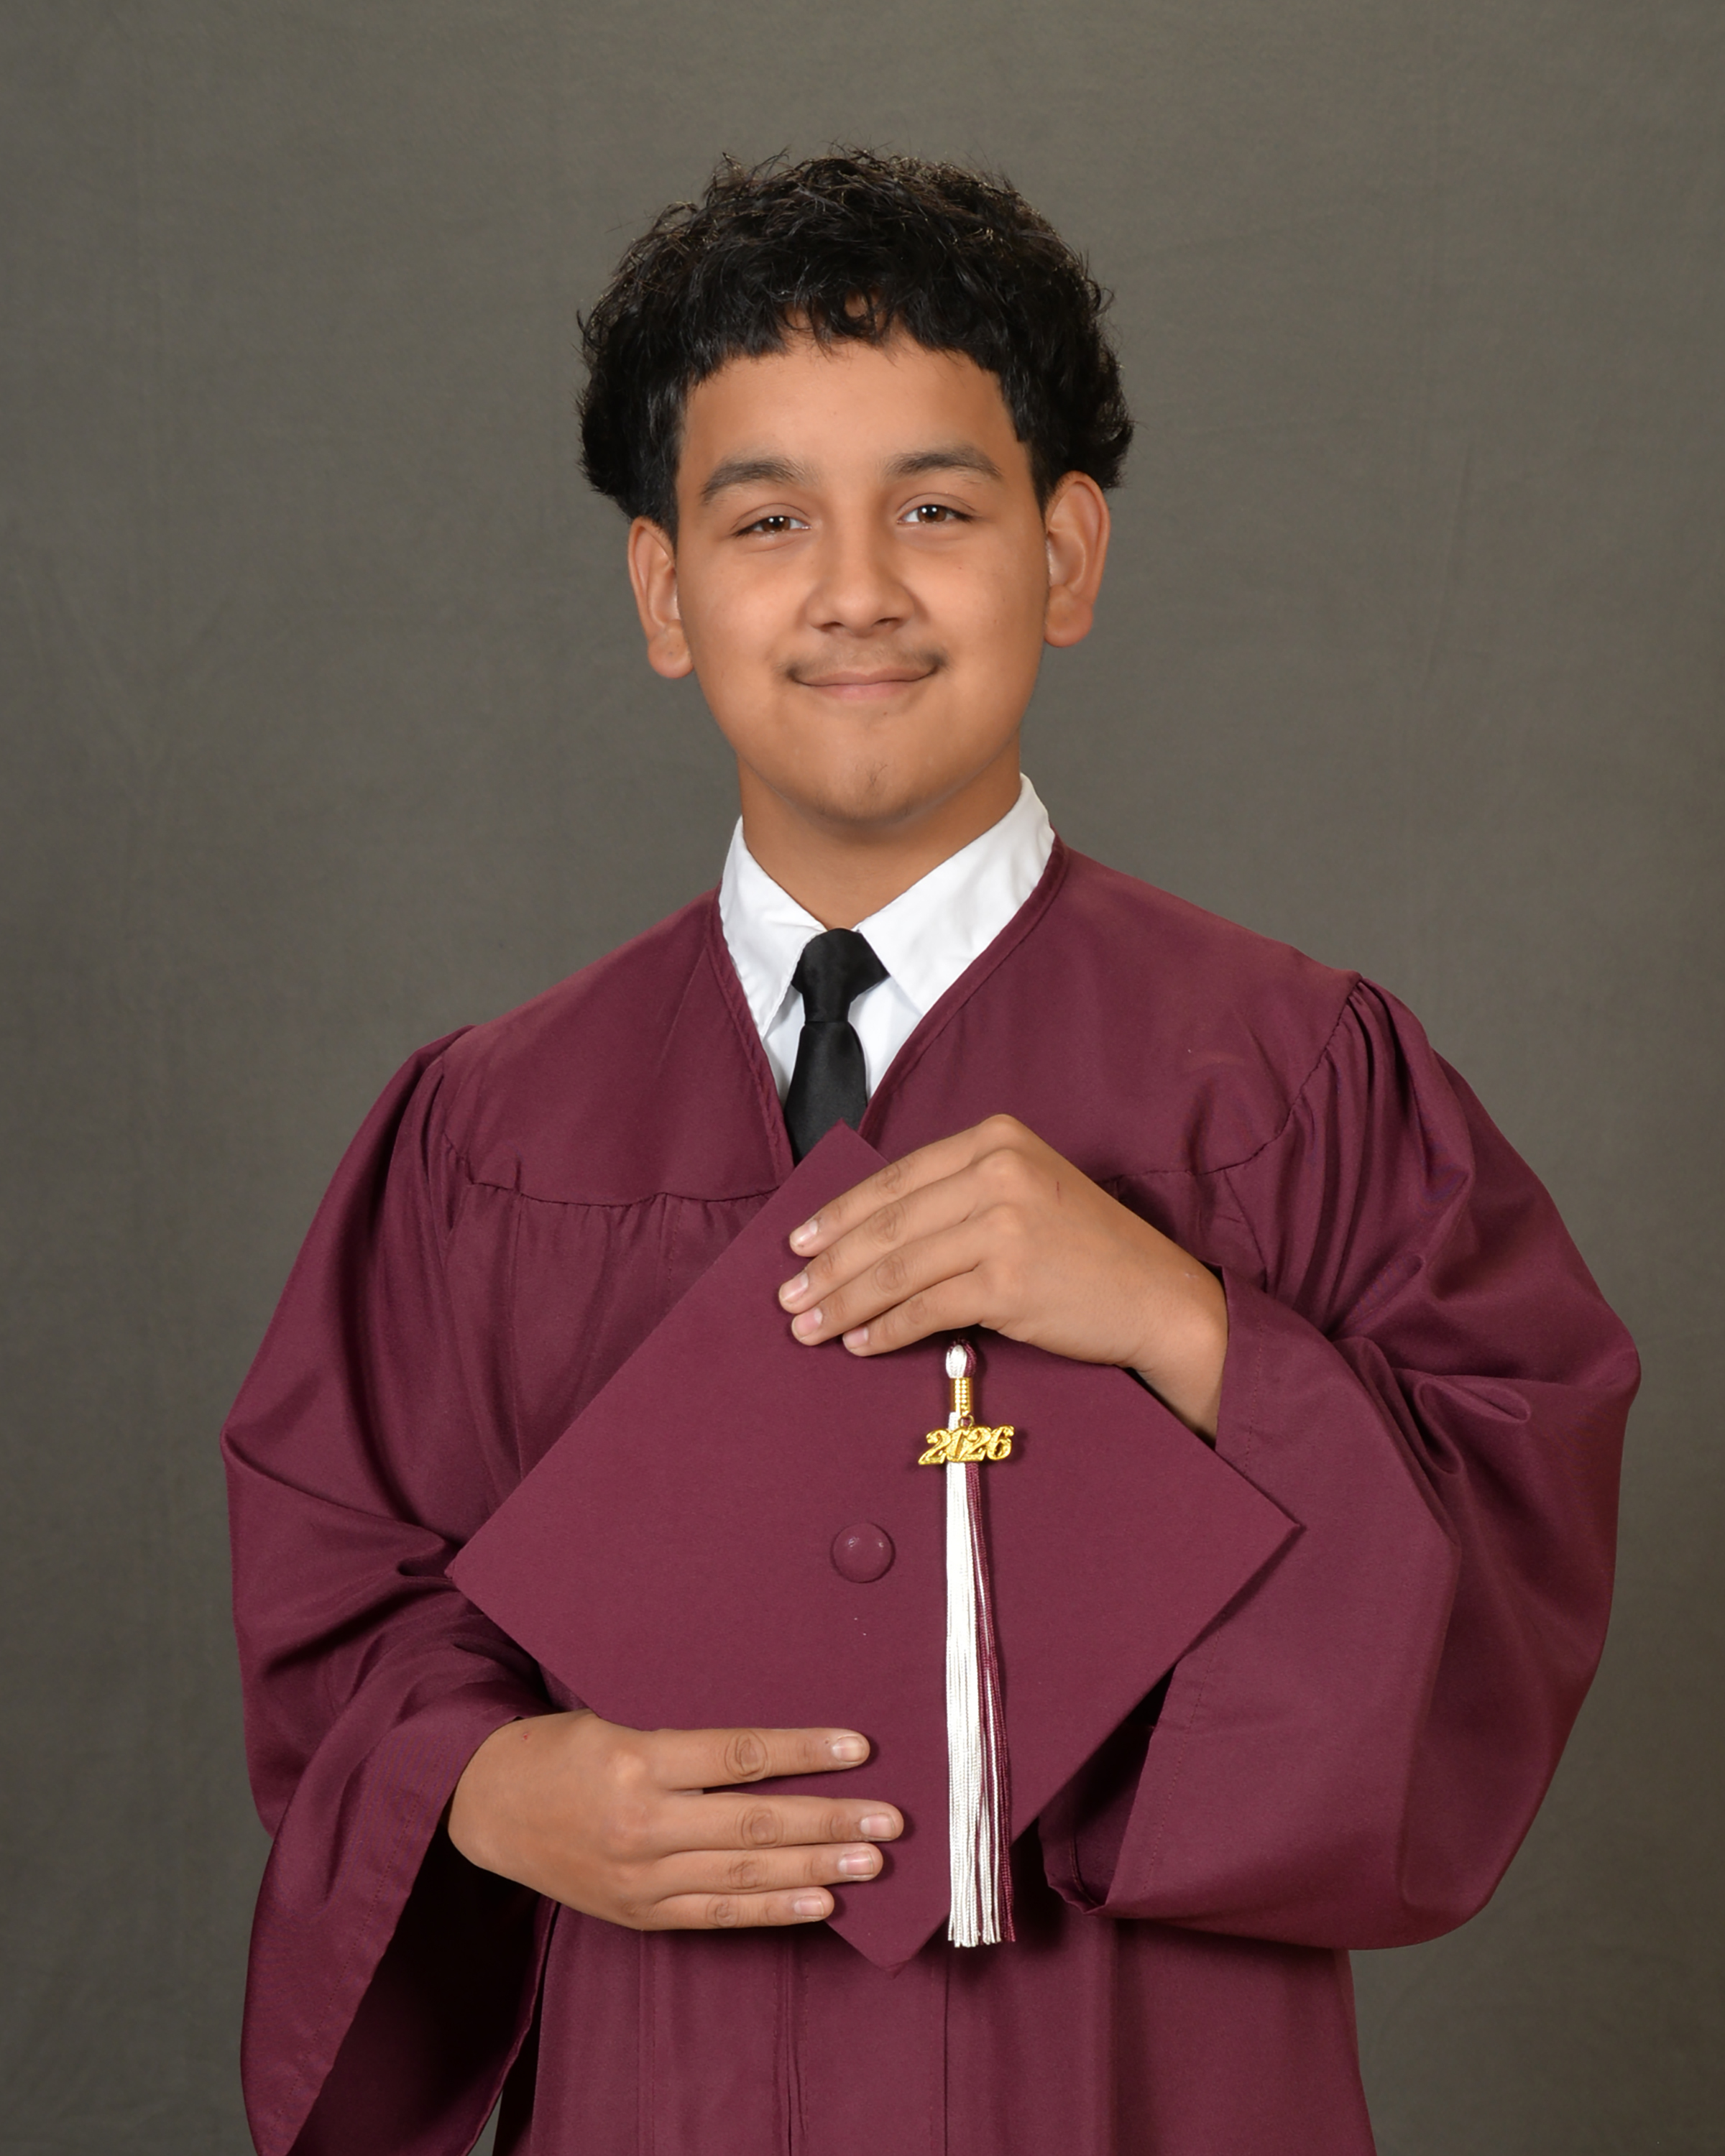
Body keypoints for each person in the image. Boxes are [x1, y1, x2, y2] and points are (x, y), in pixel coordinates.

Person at [223, 152, 1637, 2156]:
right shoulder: (490, 1134)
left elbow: (1504, 1581)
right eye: (767, 519)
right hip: (663, 2091)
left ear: (1067, 555)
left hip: (1136, 2092)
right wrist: (483, 1787)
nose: (856, 590)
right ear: (664, 593)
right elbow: (341, 1606)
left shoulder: (1291, 1080)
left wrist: (1186, 1323)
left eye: (938, 509)